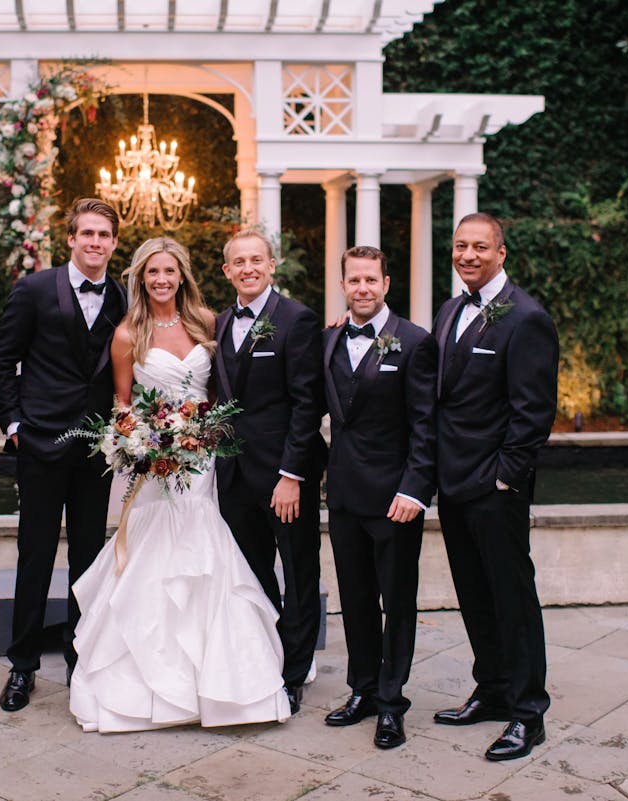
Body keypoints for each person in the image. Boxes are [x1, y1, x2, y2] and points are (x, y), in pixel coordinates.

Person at [69, 237, 291, 732]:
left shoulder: (206, 323)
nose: (162, 280)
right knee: (155, 558)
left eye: (169, 271)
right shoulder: (128, 334)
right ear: (141, 279)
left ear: (182, 275)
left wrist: (199, 437)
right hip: (154, 468)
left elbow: (218, 391)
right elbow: (122, 405)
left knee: (207, 553)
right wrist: (142, 445)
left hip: (206, 460)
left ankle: (224, 682)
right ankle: (151, 681)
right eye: (153, 273)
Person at [0, 198, 128, 712]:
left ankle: (81, 660)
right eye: (87, 233)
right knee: (35, 554)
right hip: (41, 444)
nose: (95, 242)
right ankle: (22, 666)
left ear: (114, 243)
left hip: (96, 449)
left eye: (104, 235)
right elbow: (3, 358)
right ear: (70, 239)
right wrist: (14, 423)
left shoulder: (121, 295)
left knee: (89, 558)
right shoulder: (32, 290)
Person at [431, 212, 559, 761]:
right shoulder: (450, 309)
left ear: (501, 252)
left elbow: (533, 412)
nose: (468, 256)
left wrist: (506, 477)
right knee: (475, 596)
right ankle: (493, 690)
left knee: (512, 597)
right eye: (461, 246)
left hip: (495, 486)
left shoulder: (526, 317)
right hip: (453, 482)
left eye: (480, 247)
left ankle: (529, 714)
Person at [320, 246, 437, 749]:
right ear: (343, 285)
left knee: (398, 602)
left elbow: (426, 426)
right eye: (354, 280)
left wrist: (416, 489)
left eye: (371, 279)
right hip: (343, 495)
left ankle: (392, 703)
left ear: (387, 283)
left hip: (395, 498)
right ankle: (363, 689)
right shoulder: (328, 340)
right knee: (356, 600)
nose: (362, 288)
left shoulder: (414, 342)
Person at [213, 228, 326, 715]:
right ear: (226, 271)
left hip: (284, 479)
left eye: (256, 260)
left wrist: (292, 475)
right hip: (234, 476)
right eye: (239, 262)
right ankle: (265, 656)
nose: (248, 269)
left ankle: (295, 671)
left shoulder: (297, 320)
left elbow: (307, 403)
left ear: (271, 265)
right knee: (254, 575)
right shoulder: (218, 324)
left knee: (299, 573)